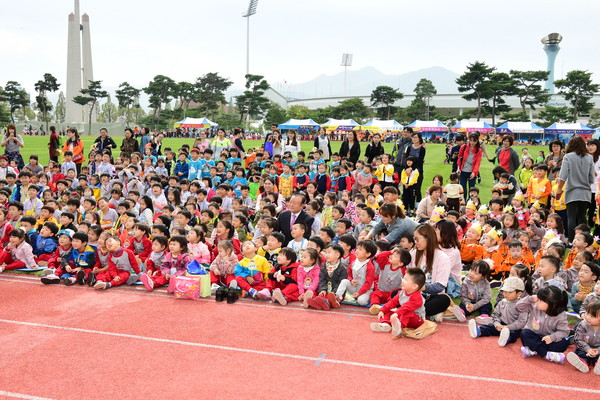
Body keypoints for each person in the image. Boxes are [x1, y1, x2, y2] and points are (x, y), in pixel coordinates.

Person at [407, 224, 462, 321]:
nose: (416, 242)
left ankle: (409, 311)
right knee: (396, 293)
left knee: (444, 300)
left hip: (431, 296)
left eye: (417, 239)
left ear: (427, 238)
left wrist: (420, 287)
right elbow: (408, 275)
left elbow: (440, 286)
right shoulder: (414, 253)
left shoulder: (442, 257)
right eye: (414, 239)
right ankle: (423, 313)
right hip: (415, 294)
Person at [468, 276, 527, 347]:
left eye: (509, 292)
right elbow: (495, 315)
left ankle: (505, 339)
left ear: (519, 293)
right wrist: (497, 324)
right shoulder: (502, 302)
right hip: (500, 324)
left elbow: (521, 322)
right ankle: (478, 332)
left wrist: (508, 327)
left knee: (513, 334)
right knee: (490, 327)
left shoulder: (522, 305)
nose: (506, 294)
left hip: (514, 328)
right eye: (504, 291)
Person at [517, 285, 570, 364]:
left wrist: (552, 337)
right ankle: (546, 354)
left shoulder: (561, 315)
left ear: (552, 303)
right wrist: (530, 298)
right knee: (525, 334)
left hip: (549, 340)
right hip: (535, 336)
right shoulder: (534, 307)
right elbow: (518, 306)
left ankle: (533, 351)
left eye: (541, 300)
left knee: (564, 343)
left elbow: (564, 332)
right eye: (538, 299)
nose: (537, 302)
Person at [557, 135, 595, 242]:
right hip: (585, 192)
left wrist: (559, 188)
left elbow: (563, 175)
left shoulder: (568, 157)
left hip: (572, 190)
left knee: (571, 217)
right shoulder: (589, 157)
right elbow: (592, 178)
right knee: (582, 217)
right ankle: (584, 240)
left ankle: (572, 241)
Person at [370, 267, 427, 338]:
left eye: (406, 280)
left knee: (407, 312)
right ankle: (385, 325)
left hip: (417, 319)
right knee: (388, 312)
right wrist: (383, 310)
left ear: (414, 286)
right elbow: (392, 302)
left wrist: (397, 313)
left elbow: (406, 307)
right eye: (403, 278)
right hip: (402, 313)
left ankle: (399, 329)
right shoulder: (401, 292)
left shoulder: (417, 297)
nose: (402, 280)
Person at [567, 300, 600, 374]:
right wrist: (588, 349)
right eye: (587, 313)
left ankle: (598, 364)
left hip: (598, 349)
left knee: (598, 356)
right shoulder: (583, 324)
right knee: (581, 353)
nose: (587, 317)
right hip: (584, 348)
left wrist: (597, 351)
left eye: (592, 316)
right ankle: (583, 362)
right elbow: (578, 339)